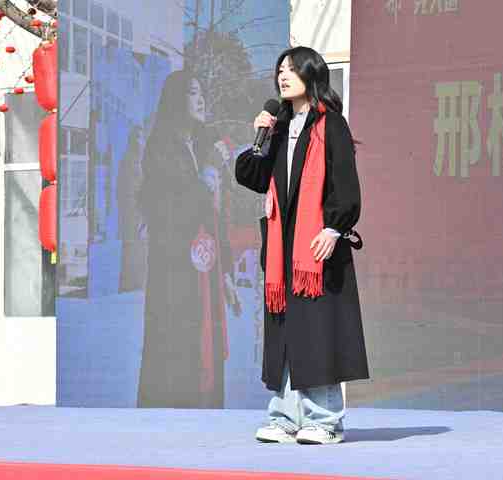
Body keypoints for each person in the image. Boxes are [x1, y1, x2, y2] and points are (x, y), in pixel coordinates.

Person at [235, 46, 370, 445]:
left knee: (318, 334)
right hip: (284, 251)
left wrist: (334, 229)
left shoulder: (331, 125)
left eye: (292, 69)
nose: (283, 75)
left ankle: (325, 421)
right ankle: (285, 417)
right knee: (287, 334)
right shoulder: (278, 128)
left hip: (317, 249)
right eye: (280, 69)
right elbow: (252, 176)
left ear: (312, 75)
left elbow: (346, 185)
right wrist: (260, 137)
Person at [137, 68, 235, 409]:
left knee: (207, 354)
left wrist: (225, 272)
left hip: (205, 274)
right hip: (174, 275)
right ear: (176, 100)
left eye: (202, 92)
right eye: (193, 93)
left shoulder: (204, 145)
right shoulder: (160, 149)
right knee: (177, 358)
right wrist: (208, 172)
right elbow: (171, 213)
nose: (201, 100)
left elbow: (214, 217)